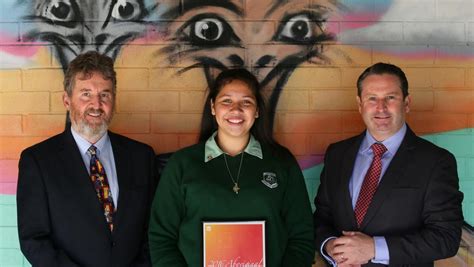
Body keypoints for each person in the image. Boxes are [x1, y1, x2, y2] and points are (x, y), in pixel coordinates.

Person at [148, 68, 314, 266]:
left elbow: (302, 236)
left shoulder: (281, 162)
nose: (236, 110)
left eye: (246, 102)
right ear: (212, 107)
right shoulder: (182, 164)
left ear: (257, 110)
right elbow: (161, 238)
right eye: (226, 101)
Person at [313, 62, 464, 266]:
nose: (381, 107)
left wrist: (374, 248)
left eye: (390, 98)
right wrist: (330, 246)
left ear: (407, 103)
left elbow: (446, 238)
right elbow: (322, 218)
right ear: (360, 104)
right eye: (372, 98)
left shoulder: (435, 161)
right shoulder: (337, 155)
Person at [17, 51, 157, 266]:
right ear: (66, 100)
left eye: (105, 95)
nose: (96, 105)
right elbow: (34, 239)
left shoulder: (142, 157)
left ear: (114, 100)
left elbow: (154, 230)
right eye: (85, 94)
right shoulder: (38, 161)